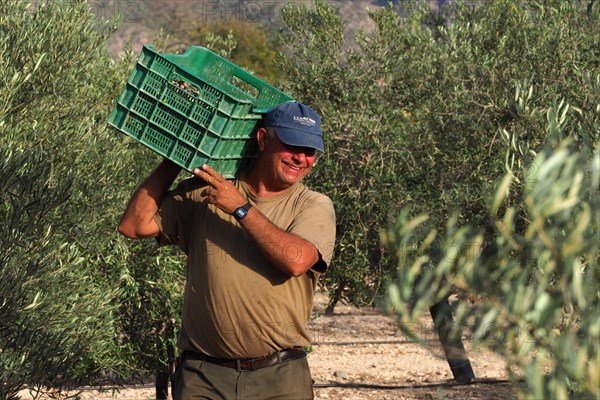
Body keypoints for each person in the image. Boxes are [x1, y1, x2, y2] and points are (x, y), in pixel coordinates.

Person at [117, 101, 336, 400]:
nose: (301, 158)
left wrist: (240, 208)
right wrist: (174, 159)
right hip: (203, 378)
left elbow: (296, 260)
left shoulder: (312, 205)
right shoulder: (209, 190)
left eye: (310, 151)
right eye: (292, 145)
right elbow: (133, 225)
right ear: (263, 140)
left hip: (280, 380)